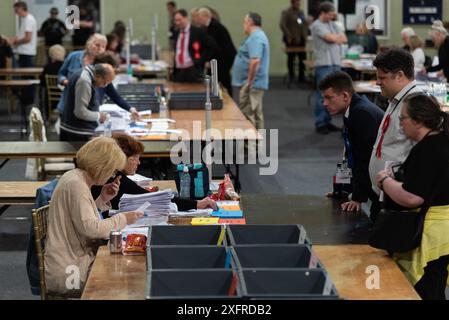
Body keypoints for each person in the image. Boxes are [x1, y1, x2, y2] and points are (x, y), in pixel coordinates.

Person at [44, 137, 144, 297]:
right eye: (111, 170)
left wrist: (102, 200)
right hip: (70, 273)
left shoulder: (75, 178)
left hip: (73, 262)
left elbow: (80, 221)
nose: (112, 175)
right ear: (102, 166)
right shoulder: (77, 185)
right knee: (128, 279)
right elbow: (92, 230)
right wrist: (123, 218)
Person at [375, 93, 449, 300]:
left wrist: (385, 181)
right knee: (435, 287)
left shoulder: (427, 150)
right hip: (442, 232)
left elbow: (412, 198)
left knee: (426, 292)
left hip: (432, 233)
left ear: (418, 121)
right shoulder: (441, 140)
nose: (400, 125)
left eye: (403, 118)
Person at [91, 133, 217, 211]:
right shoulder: (116, 179)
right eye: (134, 158)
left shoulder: (106, 174)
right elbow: (157, 200)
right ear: (120, 158)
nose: (139, 163)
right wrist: (196, 204)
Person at [368, 48, 421, 221]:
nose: (377, 82)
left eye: (382, 78)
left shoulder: (414, 105)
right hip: (385, 194)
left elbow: (424, 153)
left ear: (399, 75)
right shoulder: (396, 98)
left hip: (398, 198)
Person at [319, 71, 384, 213]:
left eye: (329, 98)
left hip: (383, 187)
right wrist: (342, 189)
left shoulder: (362, 114)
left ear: (345, 96)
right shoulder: (352, 110)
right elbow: (350, 153)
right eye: (323, 98)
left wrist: (357, 197)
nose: (324, 103)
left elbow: (364, 158)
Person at [57, 34, 138, 120]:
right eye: (97, 45)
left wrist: (130, 109)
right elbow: (60, 74)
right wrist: (65, 81)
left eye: (103, 46)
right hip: (69, 107)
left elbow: (113, 94)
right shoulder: (74, 57)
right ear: (89, 44)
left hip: (89, 111)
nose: (100, 48)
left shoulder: (102, 66)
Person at [310, 2, 347, 135]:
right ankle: (320, 122)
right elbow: (330, 38)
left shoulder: (333, 24)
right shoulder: (316, 25)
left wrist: (336, 37)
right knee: (322, 95)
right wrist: (336, 38)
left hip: (335, 63)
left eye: (333, 14)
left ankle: (327, 121)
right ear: (323, 13)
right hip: (323, 64)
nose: (332, 17)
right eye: (330, 14)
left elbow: (344, 38)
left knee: (333, 94)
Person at [231, 13, 270, 130]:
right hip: (253, 83)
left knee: (248, 116)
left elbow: (255, 61)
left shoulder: (256, 37)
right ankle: (257, 146)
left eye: (244, 22)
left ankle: (250, 147)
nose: (244, 25)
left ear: (250, 22)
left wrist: (249, 82)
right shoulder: (257, 36)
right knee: (256, 115)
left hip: (251, 84)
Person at [59, 63, 114, 141]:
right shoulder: (84, 81)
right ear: (98, 76)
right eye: (104, 82)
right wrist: (99, 116)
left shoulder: (86, 74)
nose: (103, 86)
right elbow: (80, 112)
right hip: (76, 133)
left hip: (75, 129)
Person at [197, 7, 237, 95]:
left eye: (200, 18)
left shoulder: (215, 26)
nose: (198, 21)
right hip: (220, 56)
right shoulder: (209, 26)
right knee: (214, 78)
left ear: (206, 16)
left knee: (223, 78)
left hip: (225, 57)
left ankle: (228, 99)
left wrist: (208, 60)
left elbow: (213, 46)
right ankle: (216, 95)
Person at [172, 9, 217, 83]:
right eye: (176, 20)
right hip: (179, 70)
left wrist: (204, 59)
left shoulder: (197, 31)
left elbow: (212, 45)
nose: (177, 23)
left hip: (193, 69)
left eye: (179, 20)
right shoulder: (176, 33)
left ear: (186, 18)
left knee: (194, 91)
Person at [10, 1, 38, 106]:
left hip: (27, 52)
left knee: (28, 77)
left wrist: (16, 42)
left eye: (16, 9)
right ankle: (26, 97)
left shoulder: (28, 20)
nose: (15, 12)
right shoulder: (26, 19)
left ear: (22, 8)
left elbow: (27, 38)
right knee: (25, 76)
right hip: (24, 52)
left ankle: (29, 99)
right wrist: (14, 39)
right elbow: (23, 36)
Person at [279, 0, 309, 83]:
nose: (298, 4)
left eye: (299, 2)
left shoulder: (301, 12)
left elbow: (304, 24)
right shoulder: (287, 12)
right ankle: (291, 76)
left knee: (302, 58)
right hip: (291, 39)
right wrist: (289, 35)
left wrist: (306, 35)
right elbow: (282, 24)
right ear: (292, 3)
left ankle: (301, 76)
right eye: (297, 2)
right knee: (291, 58)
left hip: (301, 39)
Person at [40, 44, 66, 115]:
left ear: (50, 55)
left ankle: (48, 119)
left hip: (51, 98)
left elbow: (42, 83)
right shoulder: (66, 67)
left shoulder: (47, 67)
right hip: (64, 97)